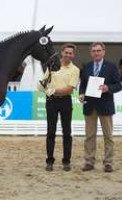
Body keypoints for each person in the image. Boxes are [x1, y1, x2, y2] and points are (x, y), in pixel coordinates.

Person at [79, 42, 121, 173]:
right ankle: (89, 161)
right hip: (90, 106)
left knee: (108, 136)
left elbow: (118, 85)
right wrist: (81, 94)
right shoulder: (86, 66)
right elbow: (83, 85)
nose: (96, 53)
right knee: (89, 136)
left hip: (105, 106)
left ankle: (108, 163)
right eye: (94, 51)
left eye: (98, 50)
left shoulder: (111, 66)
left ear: (103, 51)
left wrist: (108, 88)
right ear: (91, 53)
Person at [38, 43, 80, 171]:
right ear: (62, 52)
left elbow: (68, 90)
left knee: (67, 132)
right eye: (66, 52)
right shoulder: (52, 66)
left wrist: (53, 90)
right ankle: (49, 161)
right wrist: (43, 87)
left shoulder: (75, 70)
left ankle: (66, 161)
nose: (68, 55)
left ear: (73, 55)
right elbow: (44, 82)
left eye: (70, 53)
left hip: (65, 101)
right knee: (51, 132)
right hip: (51, 102)